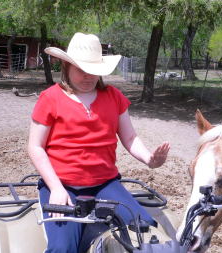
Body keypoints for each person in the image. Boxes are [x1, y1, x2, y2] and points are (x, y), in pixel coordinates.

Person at [27, 32, 170, 253]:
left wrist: (149, 159)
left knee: (143, 230)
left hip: (105, 184)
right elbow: (35, 147)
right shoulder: (50, 98)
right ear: (66, 66)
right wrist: (55, 187)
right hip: (63, 186)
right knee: (62, 247)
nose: (88, 76)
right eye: (81, 70)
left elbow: (130, 138)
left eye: (93, 70)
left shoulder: (113, 97)